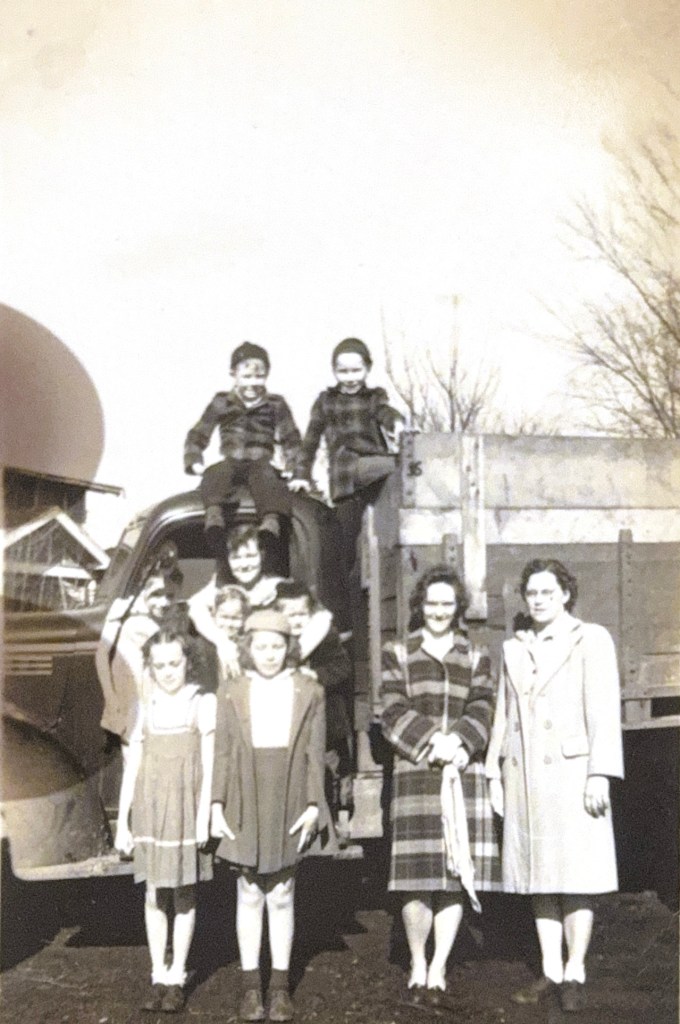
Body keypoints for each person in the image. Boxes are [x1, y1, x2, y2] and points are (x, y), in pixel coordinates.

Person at [485, 558, 624, 1013]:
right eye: (532, 593)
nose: (539, 600)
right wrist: (493, 771)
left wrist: (599, 773)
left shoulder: (590, 639)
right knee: (538, 876)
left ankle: (576, 970)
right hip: (524, 775)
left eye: (548, 592)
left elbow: (603, 710)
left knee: (575, 875)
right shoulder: (514, 648)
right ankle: (551, 969)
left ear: (565, 594)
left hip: (572, 774)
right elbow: (503, 714)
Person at [380, 566, 501, 1007]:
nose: (438, 611)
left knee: (453, 875)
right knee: (416, 878)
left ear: (458, 608)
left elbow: (484, 705)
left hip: (461, 769)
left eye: (447, 603)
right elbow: (392, 709)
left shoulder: (476, 655)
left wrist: (462, 743)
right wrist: (433, 741)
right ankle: (417, 961)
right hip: (417, 770)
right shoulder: (398, 652)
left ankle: (439, 965)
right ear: (420, 606)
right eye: (431, 603)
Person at [211, 610, 337, 1022]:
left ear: (289, 647)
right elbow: (223, 752)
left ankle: (280, 988)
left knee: (282, 892)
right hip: (246, 791)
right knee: (249, 891)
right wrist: (216, 804)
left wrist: (314, 805)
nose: (269, 654)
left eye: (277, 646)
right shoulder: (231, 691)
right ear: (248, 647)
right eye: (261, 646)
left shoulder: (309, 691)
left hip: (289, 791)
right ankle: (251, 987)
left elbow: (315, 754)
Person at [114, 628, 216, 1013]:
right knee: (154, 893)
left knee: (184, 893)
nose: (168, 671)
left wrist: (204, 815)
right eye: (159, 665)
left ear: (188, 662)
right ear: (150, 667)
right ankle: (158, 972)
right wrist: (123, 822)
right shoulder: (144, 705)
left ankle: (178, 974)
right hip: (152, 808)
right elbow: (132, 768)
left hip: (186, 807)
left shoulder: (202, 702)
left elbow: (209, 764)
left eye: (174, 663)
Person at [184, 341, 307, 567]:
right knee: (215, 473)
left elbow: (291, 439)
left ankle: (270, 523)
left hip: (261, 461)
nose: (253, 383)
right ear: (234, 374)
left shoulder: (276, 404)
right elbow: (198, 433)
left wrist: (298, 472)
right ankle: (214, 517)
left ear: (267, 376)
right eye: (247, 376)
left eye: (259, 377)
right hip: (231, 460)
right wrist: (194, 460)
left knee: (269, 479)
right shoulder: (222, 402)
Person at [291, 337, 404, 581]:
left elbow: (385, 412)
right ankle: (348, 593)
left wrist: (395, 423)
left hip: (375, 475)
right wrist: (301, 474)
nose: (350, 378)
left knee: (371, 541)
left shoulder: (373, 397)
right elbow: (310, 440)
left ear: (367, 368)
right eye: (343, 371)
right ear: (334, 371)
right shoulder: (326, 401)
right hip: (347, 473)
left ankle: (379, 584)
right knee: (346, 546)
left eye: (356, 371)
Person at [274, 579, 354, 819]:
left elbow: (342, 667)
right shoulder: (276, 643)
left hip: (328, 722)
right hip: (291, 722)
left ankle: (335, 817)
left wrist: (316, 675)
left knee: (330, 771)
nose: (297, 620)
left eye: (302, 614)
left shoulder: (323, 636)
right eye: (290, 615)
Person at [97, 566, 183, 750]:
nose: (164, 602)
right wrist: (111, 699)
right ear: (143, 590)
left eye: (170, 596)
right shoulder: (132, 619)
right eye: (156, 594)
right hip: (131, 701)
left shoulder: (168, 618)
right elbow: (101, 655)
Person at [189, 524, 283, 647]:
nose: (244, 565)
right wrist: (221, 641)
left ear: (262, 555)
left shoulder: (277, 586)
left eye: (250, 556)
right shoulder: (223, 584)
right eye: (236, 558)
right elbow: (194, 606)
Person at [212, 585, 250, 684]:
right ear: (214, 615)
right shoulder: (205, 645)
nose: (229, 624)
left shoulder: (248, 646)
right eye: (224, 617)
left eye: (235, 618)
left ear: (245, 618)